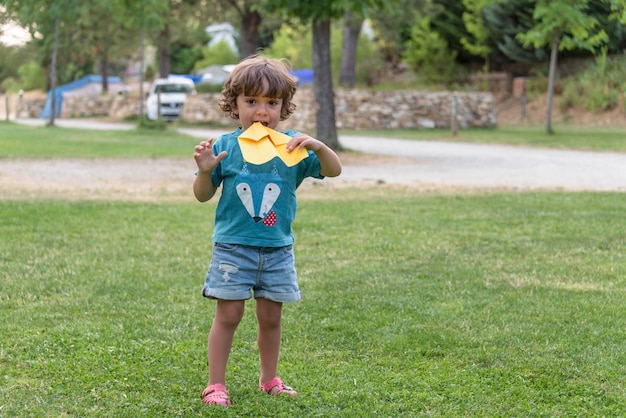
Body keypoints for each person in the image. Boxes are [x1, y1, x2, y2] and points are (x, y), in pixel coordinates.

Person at [193, 55, 342, 407]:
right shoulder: (226, 147)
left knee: (271, 317)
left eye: (271, 103)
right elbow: (202, 196)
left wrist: (318, 146)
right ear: (234, 104)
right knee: (228, 315)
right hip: (233, 248)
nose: (262, 111)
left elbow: (333, 171)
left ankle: (269, 378)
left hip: (277, 249)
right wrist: (203, 171)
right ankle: (216, 384)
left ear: (283, 107)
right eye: (251, 101)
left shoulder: (292, 147)